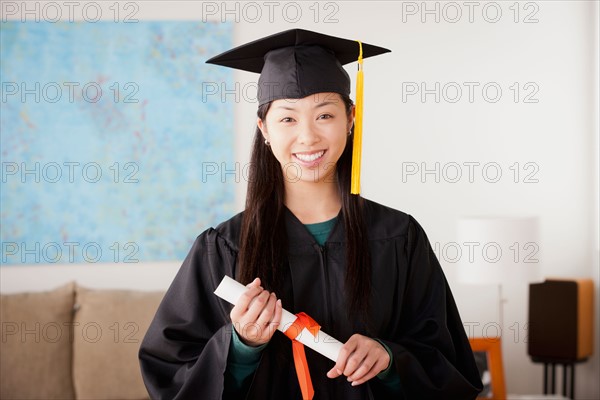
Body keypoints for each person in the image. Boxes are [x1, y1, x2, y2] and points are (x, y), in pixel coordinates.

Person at [139, 29, 483, 400]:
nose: (308, 137)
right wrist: (240, 346)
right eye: (287, 119)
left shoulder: (399, 237)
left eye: (324, 115)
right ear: (264, 129)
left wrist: (389, 358)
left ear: (350, 119)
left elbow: (449, 364)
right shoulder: (223, 247)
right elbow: (170, 373)